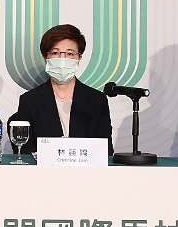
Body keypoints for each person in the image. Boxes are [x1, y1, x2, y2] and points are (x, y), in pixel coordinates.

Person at [8, 24, 113, 155]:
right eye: (55, 53)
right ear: (46, 57)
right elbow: (24, 152)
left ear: (79, 58)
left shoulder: (96, 100)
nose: (62, 59)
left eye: (70, 53)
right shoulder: (30, 100)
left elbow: (105, 150)